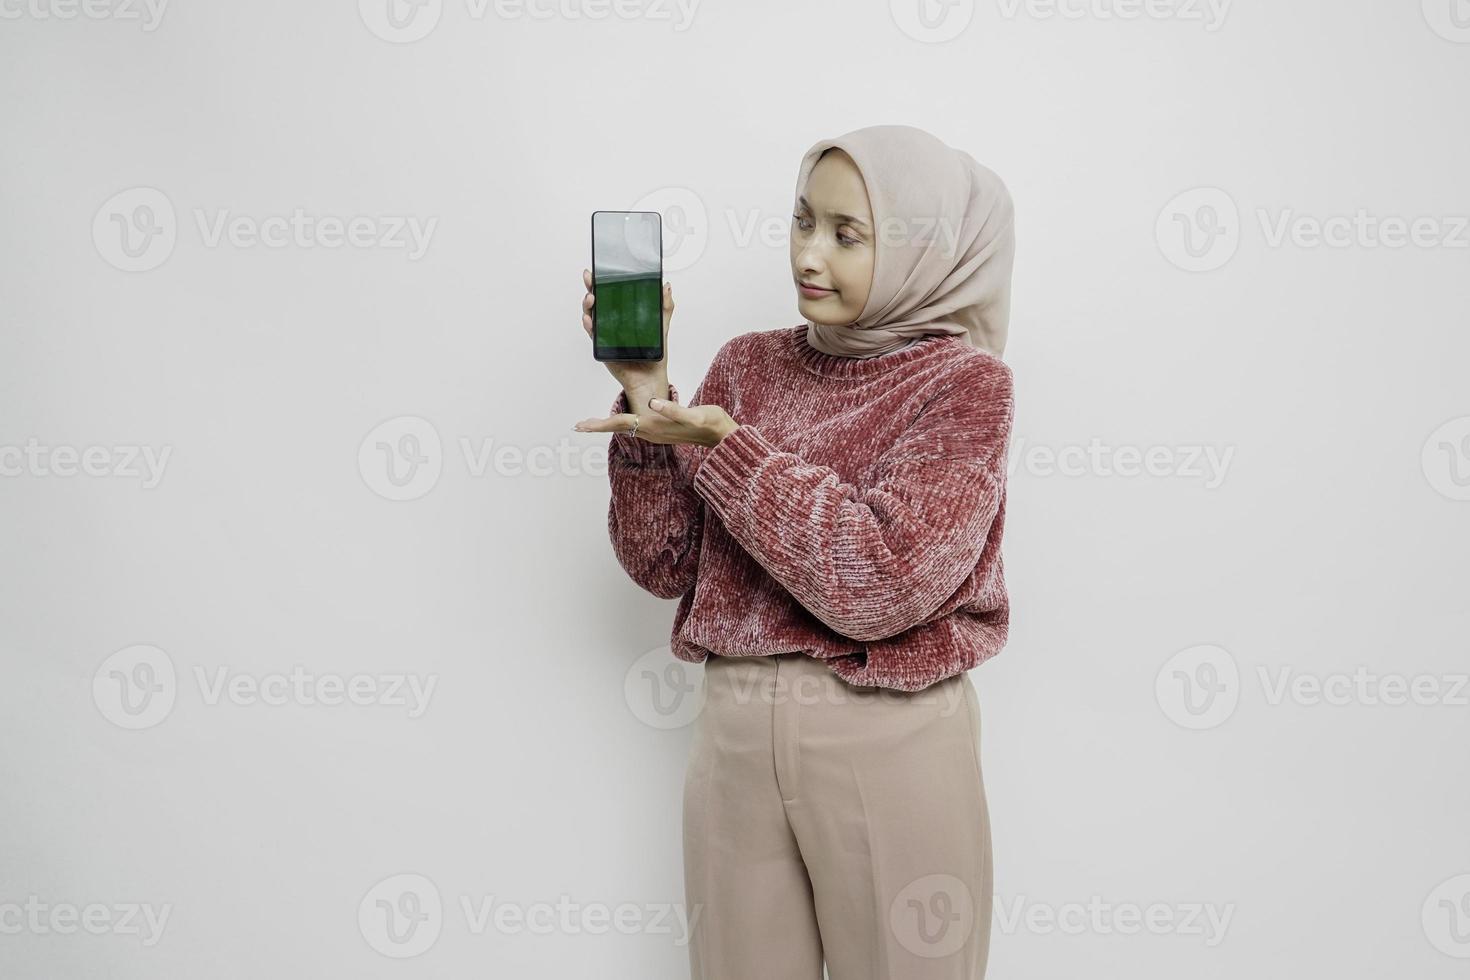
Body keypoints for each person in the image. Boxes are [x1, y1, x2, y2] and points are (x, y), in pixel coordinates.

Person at [574, 123, 1017, 980]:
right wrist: (648, 405)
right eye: (803, 220)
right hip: (734, 736)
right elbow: (665, 566)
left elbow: (885, 581)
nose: (810, 255)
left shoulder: (965, 386)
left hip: (891, 738)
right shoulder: (746, 367)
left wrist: (730, 449)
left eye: (848, 235)